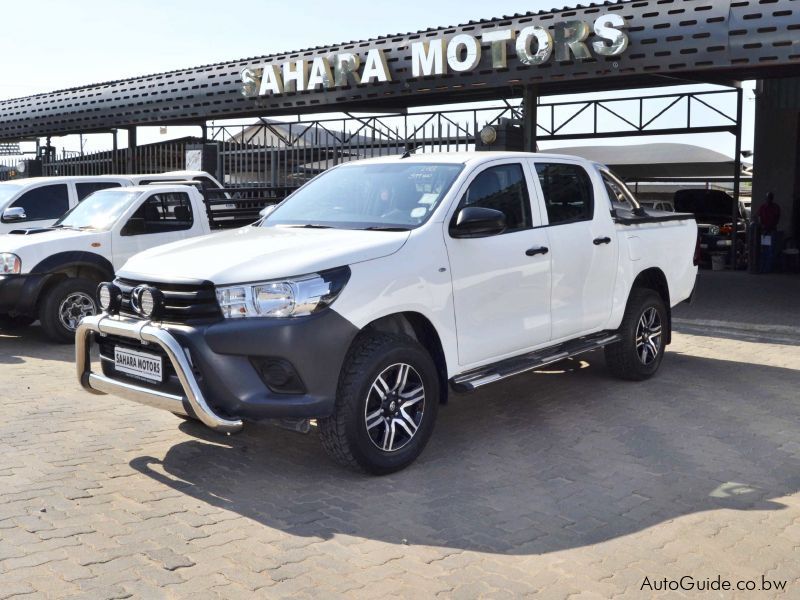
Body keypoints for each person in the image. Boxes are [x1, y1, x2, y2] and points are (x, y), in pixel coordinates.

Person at [758, 192, 781, 272]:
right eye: (767, 198)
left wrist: (767, 228)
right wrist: (762, 228)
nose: (768, 199)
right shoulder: (763, 207)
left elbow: (775, 220)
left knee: (770, 251)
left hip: (771, 231)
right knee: (764, 250)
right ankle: (763, 268)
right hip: (765, 232)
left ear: (772, 198)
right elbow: (760, 218)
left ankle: (768, 269)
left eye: (770, 198)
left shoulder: (775, 207)